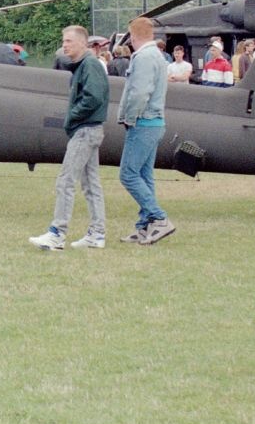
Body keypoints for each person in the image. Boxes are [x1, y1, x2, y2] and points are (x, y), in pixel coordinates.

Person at [29, 25, 109, 251]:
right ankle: (97, 233)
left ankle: (57, 233)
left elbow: (93, 98)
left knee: (66, 181)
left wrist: (71, 117)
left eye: (69, 41)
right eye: (63, 41)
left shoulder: (90, 65)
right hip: (90, 130)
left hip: (85, 131)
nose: (64, 45)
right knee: (91, 185)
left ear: (83, 43)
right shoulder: (84, 65)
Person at [117, 16, 173, 245]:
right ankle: (145, 227)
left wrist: (129, 118)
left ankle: (159, 219)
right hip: (155, 122)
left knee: (128, 174)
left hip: (143, 122)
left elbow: (139, 93)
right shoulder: (157, 56)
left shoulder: (143, 57)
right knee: (144, 176)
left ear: (132, 35)